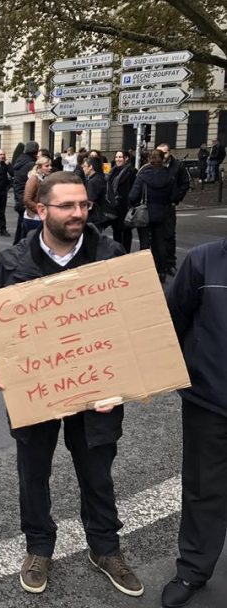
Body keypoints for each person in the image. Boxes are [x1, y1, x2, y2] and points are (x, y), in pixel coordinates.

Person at [0, 171, 143, 598]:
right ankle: (38, 547)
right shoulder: (12, 264)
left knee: (97, 472)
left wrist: (120, 380)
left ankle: (105, 548)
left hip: (98, 392)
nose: (78, 213)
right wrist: (0, 367)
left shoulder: (110, 255)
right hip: (37, 391)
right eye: (67, 206)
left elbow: (135, 324)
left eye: (83, 205)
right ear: (40, 210)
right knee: (34, 472)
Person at [162, 237, 227, 608]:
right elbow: (174, 319)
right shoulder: (203, 261)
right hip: (209, 402)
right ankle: (193, 568)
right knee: (203, 488)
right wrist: (191, 371)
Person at [129, 149, 174, 283]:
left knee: (144, 242)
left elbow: (133, 195)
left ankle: (144, 270)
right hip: (161, 212)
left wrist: (133, 204)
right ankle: (161, 271)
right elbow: (173, 195)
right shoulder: (168, 175)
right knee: (160, 242)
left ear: (149, 159)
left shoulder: (143, 175)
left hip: (145, 212)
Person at [156, 143, 189, 277]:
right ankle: (159, 265)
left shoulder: (177, 166)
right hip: (156, 205)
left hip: (169, 205)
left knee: (169, 235)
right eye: (160, 153)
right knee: (156, 237)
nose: (162, 156)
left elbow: (185, 183)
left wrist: (176, 198)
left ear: (169, 152)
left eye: (165, 153)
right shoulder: (154, 164)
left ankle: (170, 264)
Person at [107, 150, 136, 252]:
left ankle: (126, 252)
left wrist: (130, 202)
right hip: (115, 206)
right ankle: (118, 252)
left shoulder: (132, 171)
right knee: (116, 231)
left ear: (126, 158)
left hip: (125, 206)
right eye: (116, 157)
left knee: (126, 231)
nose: (118, 159)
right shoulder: (113, 171)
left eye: (120, 157)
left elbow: (134, 189)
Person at [12, 141, 39, 244]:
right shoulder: (31, 164)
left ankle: (17, 248)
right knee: (26, 233)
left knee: (21, 229)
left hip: (19, 197)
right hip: (25, 199)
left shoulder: (20, 161)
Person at [21, 156, 53, 238]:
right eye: (47, 166)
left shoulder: (44, 179)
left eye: (50, 165)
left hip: (41, 217)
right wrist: (40, 210)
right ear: (39, 167)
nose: (50, 168)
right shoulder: (33, 179)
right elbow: (27, 200)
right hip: (34, 218)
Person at [82, 156, 111, 231]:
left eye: (85, 166)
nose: (83, 168)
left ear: (90, 167)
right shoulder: (101, 177)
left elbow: (90, 202)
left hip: (96, 216)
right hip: (104, 212)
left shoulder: (93, 181)